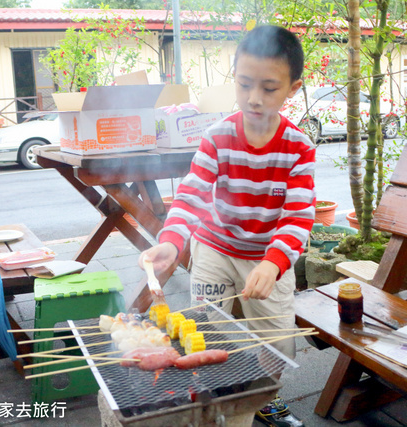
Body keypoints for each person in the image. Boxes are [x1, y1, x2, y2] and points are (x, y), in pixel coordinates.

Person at [139, 25, 315, 427]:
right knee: (209, 330)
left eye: (269, 88)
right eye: (245, 84)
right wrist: (172, 241)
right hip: (215, 249)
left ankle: (262, 398)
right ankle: (216, 400)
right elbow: (192, 195)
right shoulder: (217, 137)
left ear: (293, 88)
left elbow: (298, 215)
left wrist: (272, 263)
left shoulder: (299, 147)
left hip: (268, 257)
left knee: (277, 340)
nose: (254, 98)